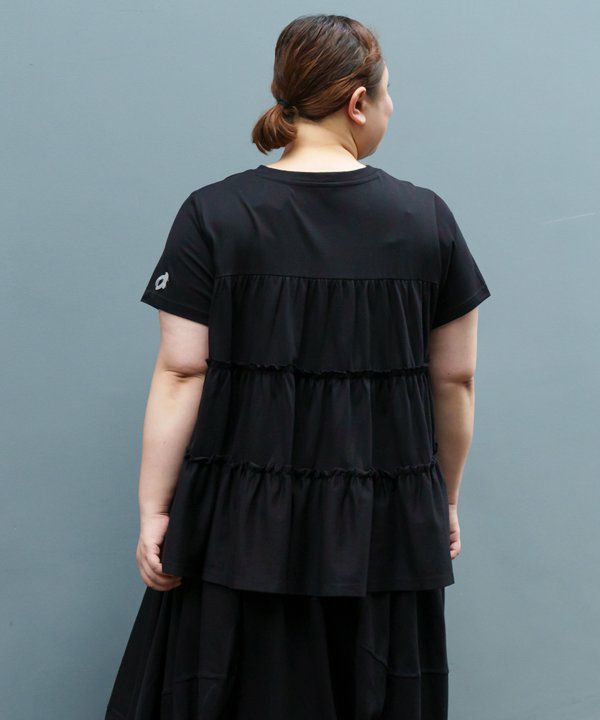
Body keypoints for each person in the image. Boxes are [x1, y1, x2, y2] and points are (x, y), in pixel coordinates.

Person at [105, 13, 491, 720]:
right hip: (383, 522)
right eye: (389, 91)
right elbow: (455, 379)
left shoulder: (213, 214)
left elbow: (183, 372)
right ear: (358, 102)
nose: (393, 106)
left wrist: (155, 509)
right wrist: (443, 499)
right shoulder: (426, 220)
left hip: (237, 524)